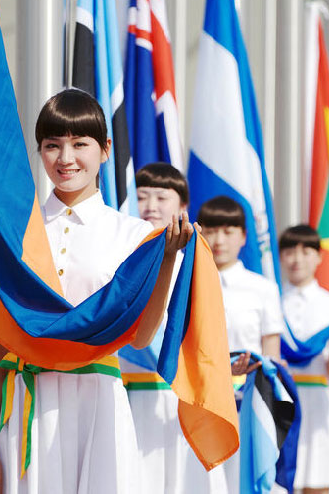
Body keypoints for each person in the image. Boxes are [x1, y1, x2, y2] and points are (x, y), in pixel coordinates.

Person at [0, 89, 196, 494]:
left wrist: (164, 261)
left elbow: (141, 337)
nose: (65, 158)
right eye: (52, 145)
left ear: (106, 150)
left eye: (80, 144)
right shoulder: (17, 234)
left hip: (99, 401)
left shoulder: (134, 236)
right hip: (28, 402)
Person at [123, 162, 226, 494]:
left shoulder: (195, 264)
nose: (151, 205)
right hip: (128, 396)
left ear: (182, 206)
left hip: (179, 399)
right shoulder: (118, 258)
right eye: (142, 196)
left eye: (161, 197)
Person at [197, 195, 284, 494]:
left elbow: (272, 355)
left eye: (228, 230)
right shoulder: (186, 282)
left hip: (247, 404)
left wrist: (253, 371)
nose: (218, 240)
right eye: (210, 230)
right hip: (198, 404)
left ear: (244, 236)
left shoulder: (263, 289)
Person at [279, 225, 329, 494]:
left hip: (317, 402)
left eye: (306, 251)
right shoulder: (271, 298)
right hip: (279, 397)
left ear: (319, 257)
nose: (297, 259)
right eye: (289, 251)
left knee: (316, 481)